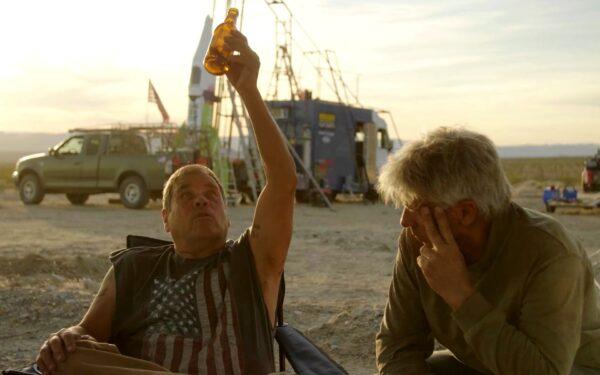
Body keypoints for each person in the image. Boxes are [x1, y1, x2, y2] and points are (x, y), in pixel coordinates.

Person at [35, 31, 297, 375]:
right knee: (67, 356)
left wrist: (248, 91)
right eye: (186, 197)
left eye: (211, 195)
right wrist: (67, 336)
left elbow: (282, 181)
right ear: (165, 219)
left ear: (227, 215)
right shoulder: (134, 268)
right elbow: (86, 333)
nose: (201, 201)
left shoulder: (254, 262)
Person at [375, 127, 600, 374]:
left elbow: (544, 370)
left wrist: (462, 296)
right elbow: (398, 345)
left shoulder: (551, 254)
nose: (405, 221)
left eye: (416, 206)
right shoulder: (418, 239)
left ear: (465, 212)